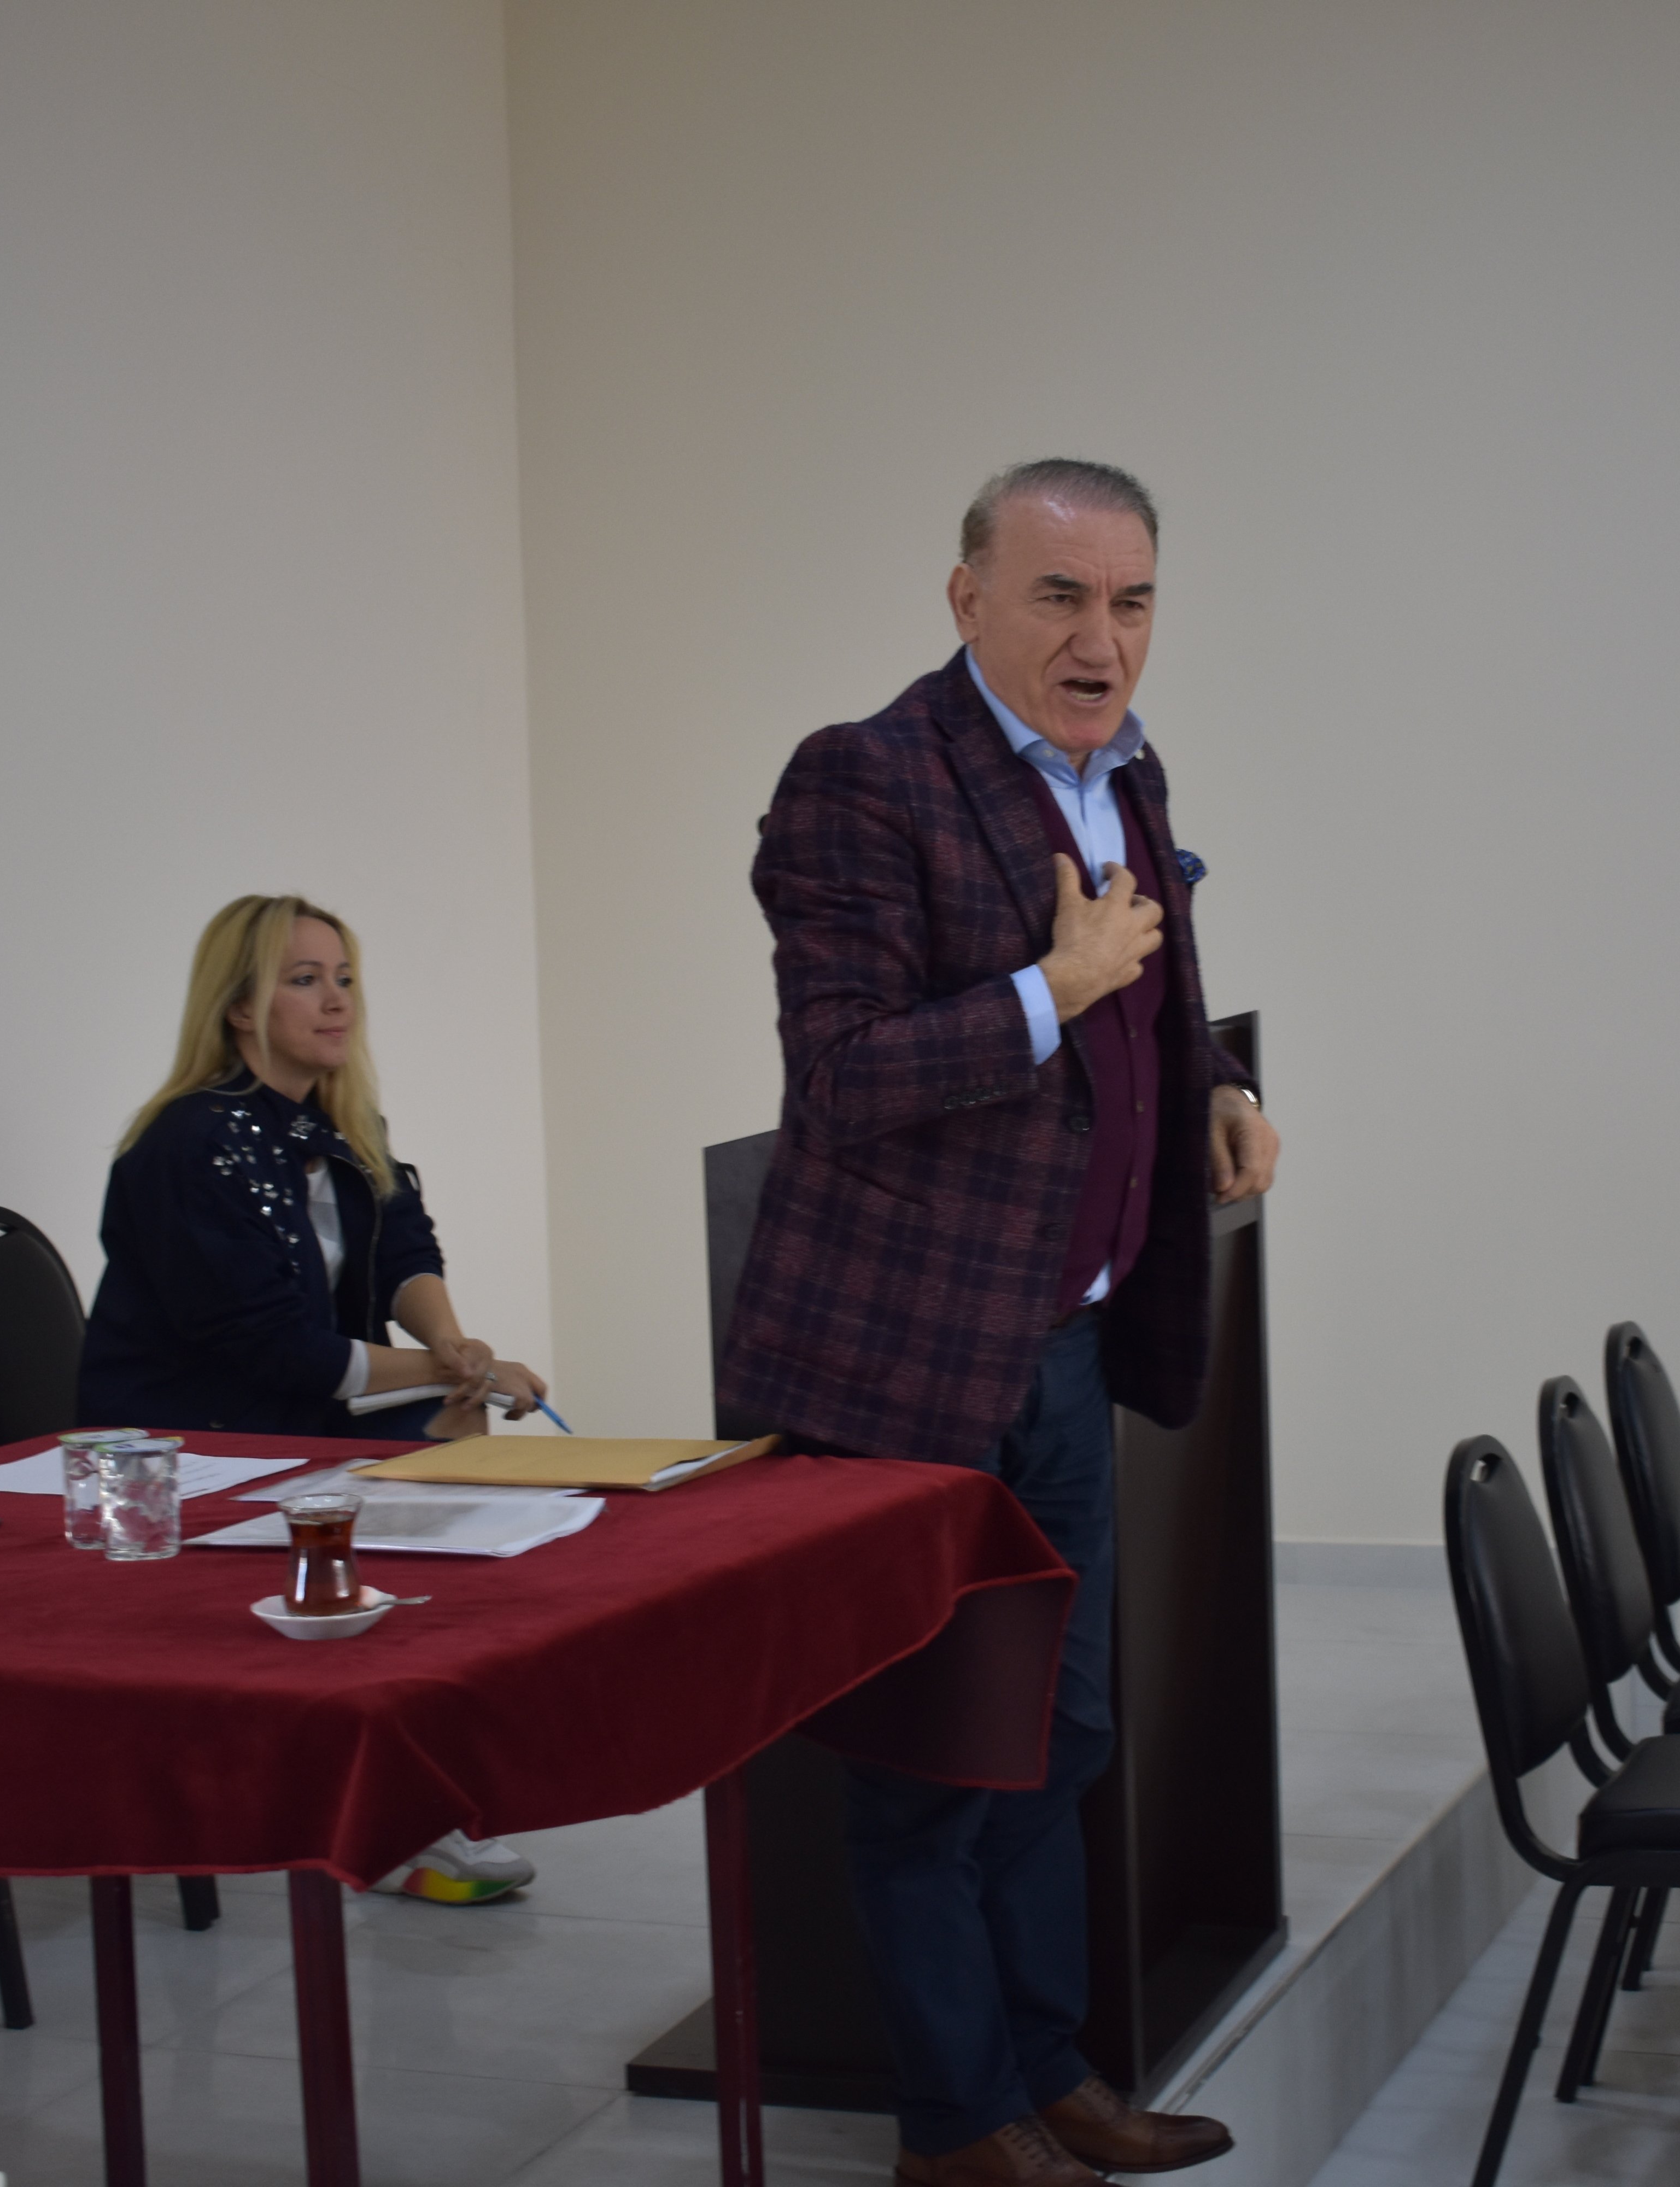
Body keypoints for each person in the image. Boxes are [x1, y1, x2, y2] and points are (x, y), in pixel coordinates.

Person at [720, 462, 1279, 2187]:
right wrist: (1057, 985)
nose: (1102, 639)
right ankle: (958, 2125)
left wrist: (1216, 1086)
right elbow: (842, 1075)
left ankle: (1054, 2074)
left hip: (1067, 1353)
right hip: (908, 1371)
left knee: (1059, 1739)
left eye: (1132, 601)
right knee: (928, 1768)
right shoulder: (862, 776)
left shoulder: (1128, 776)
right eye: (1060, 596)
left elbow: (1151, 996)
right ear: (967, 599)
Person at [80, 891, 552, 1905]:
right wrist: (455, 1373)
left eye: (343, 979)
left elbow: (406, 1252)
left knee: (457, 1425)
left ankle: (407, 1776)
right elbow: (269, 1350)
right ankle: (387, 1808)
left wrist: (454, 1349)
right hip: (188, 1441)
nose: (337, 1001)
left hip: (288, 1406)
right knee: (445, 1422)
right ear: (239, 1007)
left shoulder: (340, 1121)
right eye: (304, 981)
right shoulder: (189, 1145)